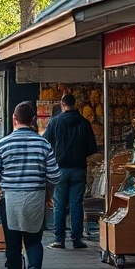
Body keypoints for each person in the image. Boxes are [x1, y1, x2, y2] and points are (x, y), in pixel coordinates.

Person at [0, 101, 59, 269]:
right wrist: (47, 193)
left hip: (11, 200)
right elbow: (54, 174)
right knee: (34, 241)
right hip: (35, 198)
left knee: (13, 247)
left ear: (14, 119)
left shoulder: (2, 144)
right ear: (33, 120)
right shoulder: (43, 144)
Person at [44, 93, 99, 250]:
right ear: (76, 104)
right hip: (78, 169)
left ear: (62, 105)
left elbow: (46, 144)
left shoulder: (55, 122)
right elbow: (91, 148)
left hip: (59, 169)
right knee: (76, 204)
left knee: (59, 204)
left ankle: (59, 239)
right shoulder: (85, 123)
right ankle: (77, 239)